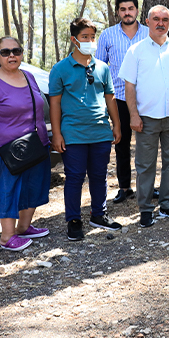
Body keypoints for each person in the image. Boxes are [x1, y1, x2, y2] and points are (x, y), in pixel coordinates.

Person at [120, 5, 169, 228]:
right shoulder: (136, 50)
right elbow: (129, 85)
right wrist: (133, 114)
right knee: (145, 165)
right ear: (148, 21)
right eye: (156, 19)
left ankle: (168, 204)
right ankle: (145, 209)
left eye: (165, 19)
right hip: (147, 118)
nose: (160, 23)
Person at [49, 18, 122, 241]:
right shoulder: (60, 69)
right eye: (85, 37)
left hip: (100, 131)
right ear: (74, 40)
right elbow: (54, 103)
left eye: (92, 37)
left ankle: (98, 215)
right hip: (73, 134)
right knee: (74, 177)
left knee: (99, 176)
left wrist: (116, 124)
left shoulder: (102, 68)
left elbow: (110, 98)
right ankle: (73, 219)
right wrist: (57, 133)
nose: (90, 41)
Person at [0, 37, 51, 251]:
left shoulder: (28, 76)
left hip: (36, 144)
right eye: (5, 52)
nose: (11, 55)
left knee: (34, 186)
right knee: (9, 189)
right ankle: (7, 237)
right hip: (10, 149)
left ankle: (24, 227)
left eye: (16, 51)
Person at [96, 0, 149, 204]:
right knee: (122, 144)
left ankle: (147, 186)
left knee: (148, 145)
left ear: (137, 10)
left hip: (146, 98)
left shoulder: (149, 34)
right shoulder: (108, 35)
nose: (127, 12)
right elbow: (99, 67)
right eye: (123, 9)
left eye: (131, 8)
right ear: (118, 12)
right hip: (118, 98)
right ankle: (125, 187)